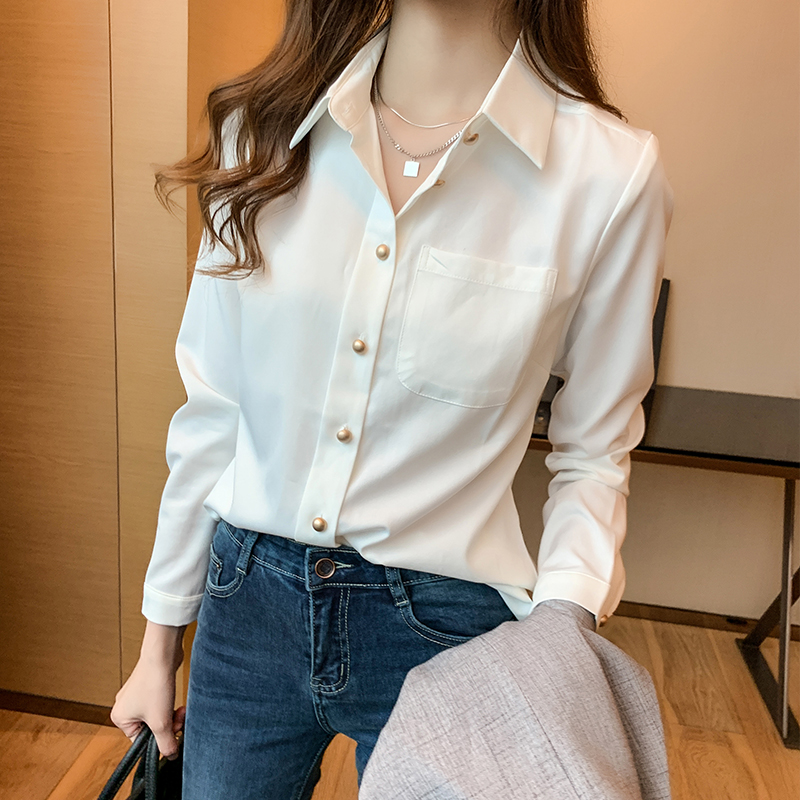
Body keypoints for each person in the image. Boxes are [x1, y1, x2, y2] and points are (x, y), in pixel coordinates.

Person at [111, 0, 673, 797]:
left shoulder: (608, 175)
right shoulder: (261, 129)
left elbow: (595, 451)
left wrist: (561, 631)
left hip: (447, 625)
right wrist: (158, 645)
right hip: (246, 607)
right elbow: (214, 411)